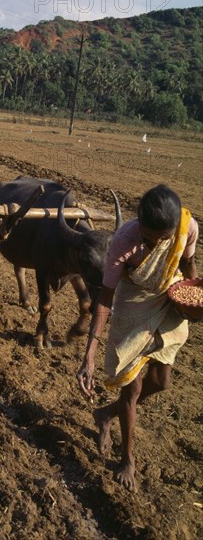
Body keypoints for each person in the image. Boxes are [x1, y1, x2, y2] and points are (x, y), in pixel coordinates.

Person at [77, 184, 199, 492]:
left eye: (163, 239)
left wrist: (196, 293)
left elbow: (186, 264)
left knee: (161, 382)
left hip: (168, 300)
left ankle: (106, 413)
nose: (156, 244)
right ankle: (127, 459)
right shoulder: (124, 241)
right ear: (139, 224)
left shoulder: (188, 227)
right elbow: (105, 299)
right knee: (132, 389)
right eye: (149, 238)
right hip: (132, 306)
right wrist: (89, 356)